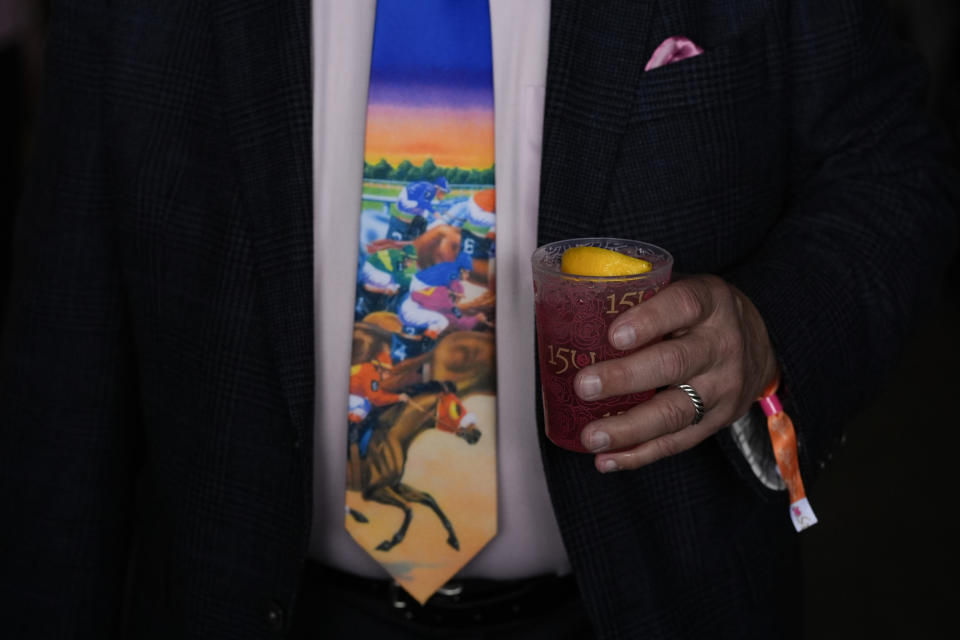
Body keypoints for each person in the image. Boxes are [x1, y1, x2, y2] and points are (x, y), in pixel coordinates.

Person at [0, 1, 956, 639]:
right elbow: (66, 360)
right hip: (249, 602)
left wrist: (767, 326)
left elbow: (890, 162)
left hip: (642, 601)